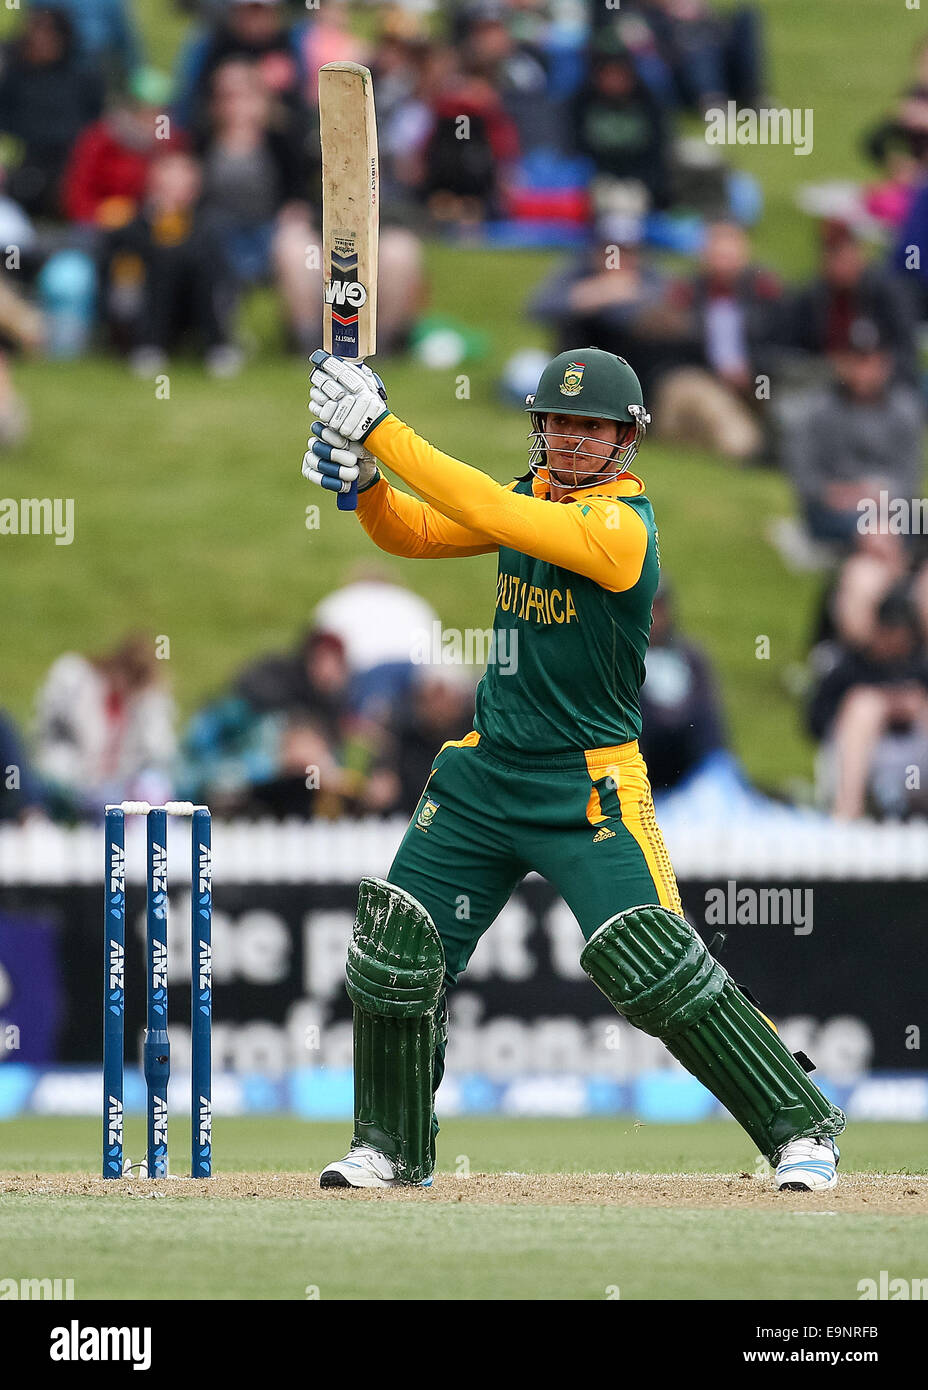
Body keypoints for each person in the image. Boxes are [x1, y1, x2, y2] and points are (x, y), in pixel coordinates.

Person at [300, 343, 845, 1193]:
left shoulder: (621, 529)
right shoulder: (528, 497)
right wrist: (364, 482)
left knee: (656, 966)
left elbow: (479, 503)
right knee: (397, 951)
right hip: (487, 775)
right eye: (556, 421)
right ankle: (391, 1147)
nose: (570, 438)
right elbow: (413, 531)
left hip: (589, 786)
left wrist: (378, 429)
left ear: (626, 437)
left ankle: (799, 1125)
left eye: (591, 426)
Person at [0, 6, 105, 218]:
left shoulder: (83, 77)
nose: (41, 43)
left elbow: (94, 123)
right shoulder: (16, 76)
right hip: (25, 161)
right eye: (36, 35)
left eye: (49, 36)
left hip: (68, 161)